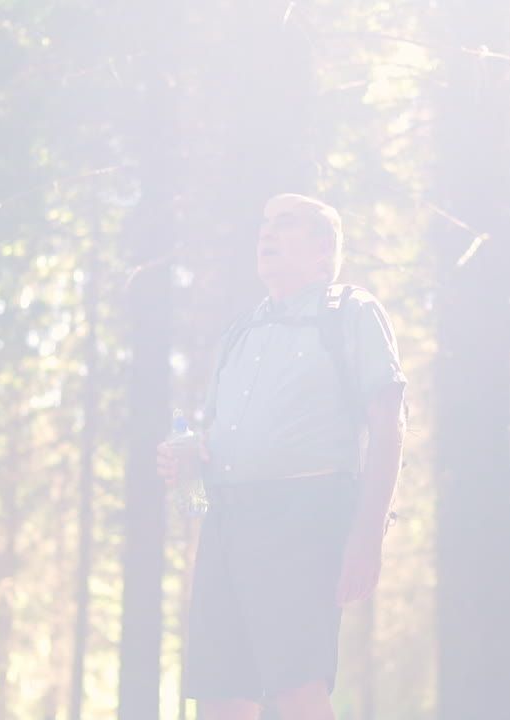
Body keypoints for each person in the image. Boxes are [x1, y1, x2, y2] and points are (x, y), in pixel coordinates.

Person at [157, 193, 407, 720]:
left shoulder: (350, 311)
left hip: (306, 514)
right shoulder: (240, 332)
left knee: (297, 686)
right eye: (264, 223)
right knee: (221, 695)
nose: (266, 234)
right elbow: (216, 445)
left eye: (285, 224)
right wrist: (189, 466)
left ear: (323, 251)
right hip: (225, 520)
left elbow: (389, 424)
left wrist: (367, 535)